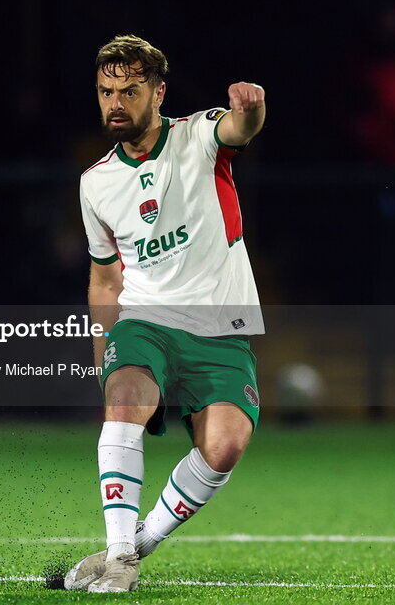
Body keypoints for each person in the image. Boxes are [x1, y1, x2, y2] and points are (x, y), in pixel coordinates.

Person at [66, 35, 266, 593]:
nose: (115, 103)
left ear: (158, 92)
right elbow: (106, 276)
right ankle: (120, 555)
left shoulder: (197, 135)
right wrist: (104, 354)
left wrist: (251, 108)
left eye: (129, 90)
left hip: (218, 327)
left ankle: (139, 544)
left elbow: (239, 128)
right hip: (145, 320)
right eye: (106, 91)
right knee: (125, 398)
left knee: (224, 446)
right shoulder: (95, 184)